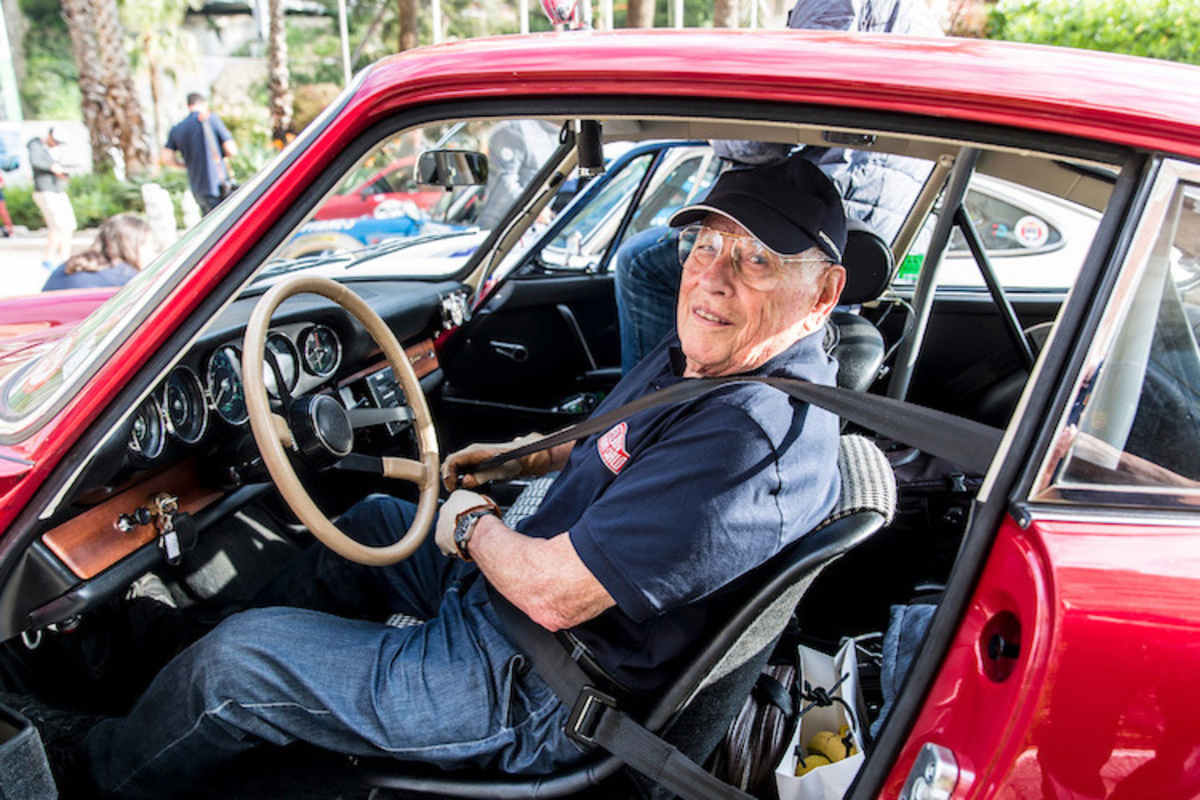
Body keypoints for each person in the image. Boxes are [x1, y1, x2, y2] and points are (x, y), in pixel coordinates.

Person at [75, 157, 847, 797]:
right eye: (707, 244)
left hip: (532, 685)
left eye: (758, 260)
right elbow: (615, 435)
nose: (713, 277)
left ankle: (95, 773)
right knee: (375, 521)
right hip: (521, 623)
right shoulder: (717, 361)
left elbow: (554, 592)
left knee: (238, 665)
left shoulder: (751, 438)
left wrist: (474, 523)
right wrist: (522, 456)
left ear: (822, 294)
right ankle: (160, 664)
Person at [614, 0, 941, 373]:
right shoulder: (920, 15)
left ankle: (655, 397)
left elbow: (766, 132)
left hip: (822, 208)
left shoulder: (834, 4)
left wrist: (710, 122)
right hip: (872, 221)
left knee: (639, 261)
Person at [163, 92, 239, 215]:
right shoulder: (210, 119)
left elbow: (167, 158)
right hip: (218, 186)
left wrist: (185, 164)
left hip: (198, 189)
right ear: (204, 104)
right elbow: (232, 150)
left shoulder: (177, 129)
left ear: (189, 106)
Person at [42, 214, 156, 292]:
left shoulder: (68, 266)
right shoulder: (127, 280)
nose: (153, 253)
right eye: (149, 245)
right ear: (132, 246)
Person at [27, 128, 77, 268]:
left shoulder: (50, 150)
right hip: (46, 191)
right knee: (58, 226)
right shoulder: (35, 145)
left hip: (57, 190)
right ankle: (53, 260)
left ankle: (62, 259)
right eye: (55, 142)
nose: (55, 145)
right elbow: (36, 162)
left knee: (67, 225)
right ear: (49, 136)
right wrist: (52, 167)